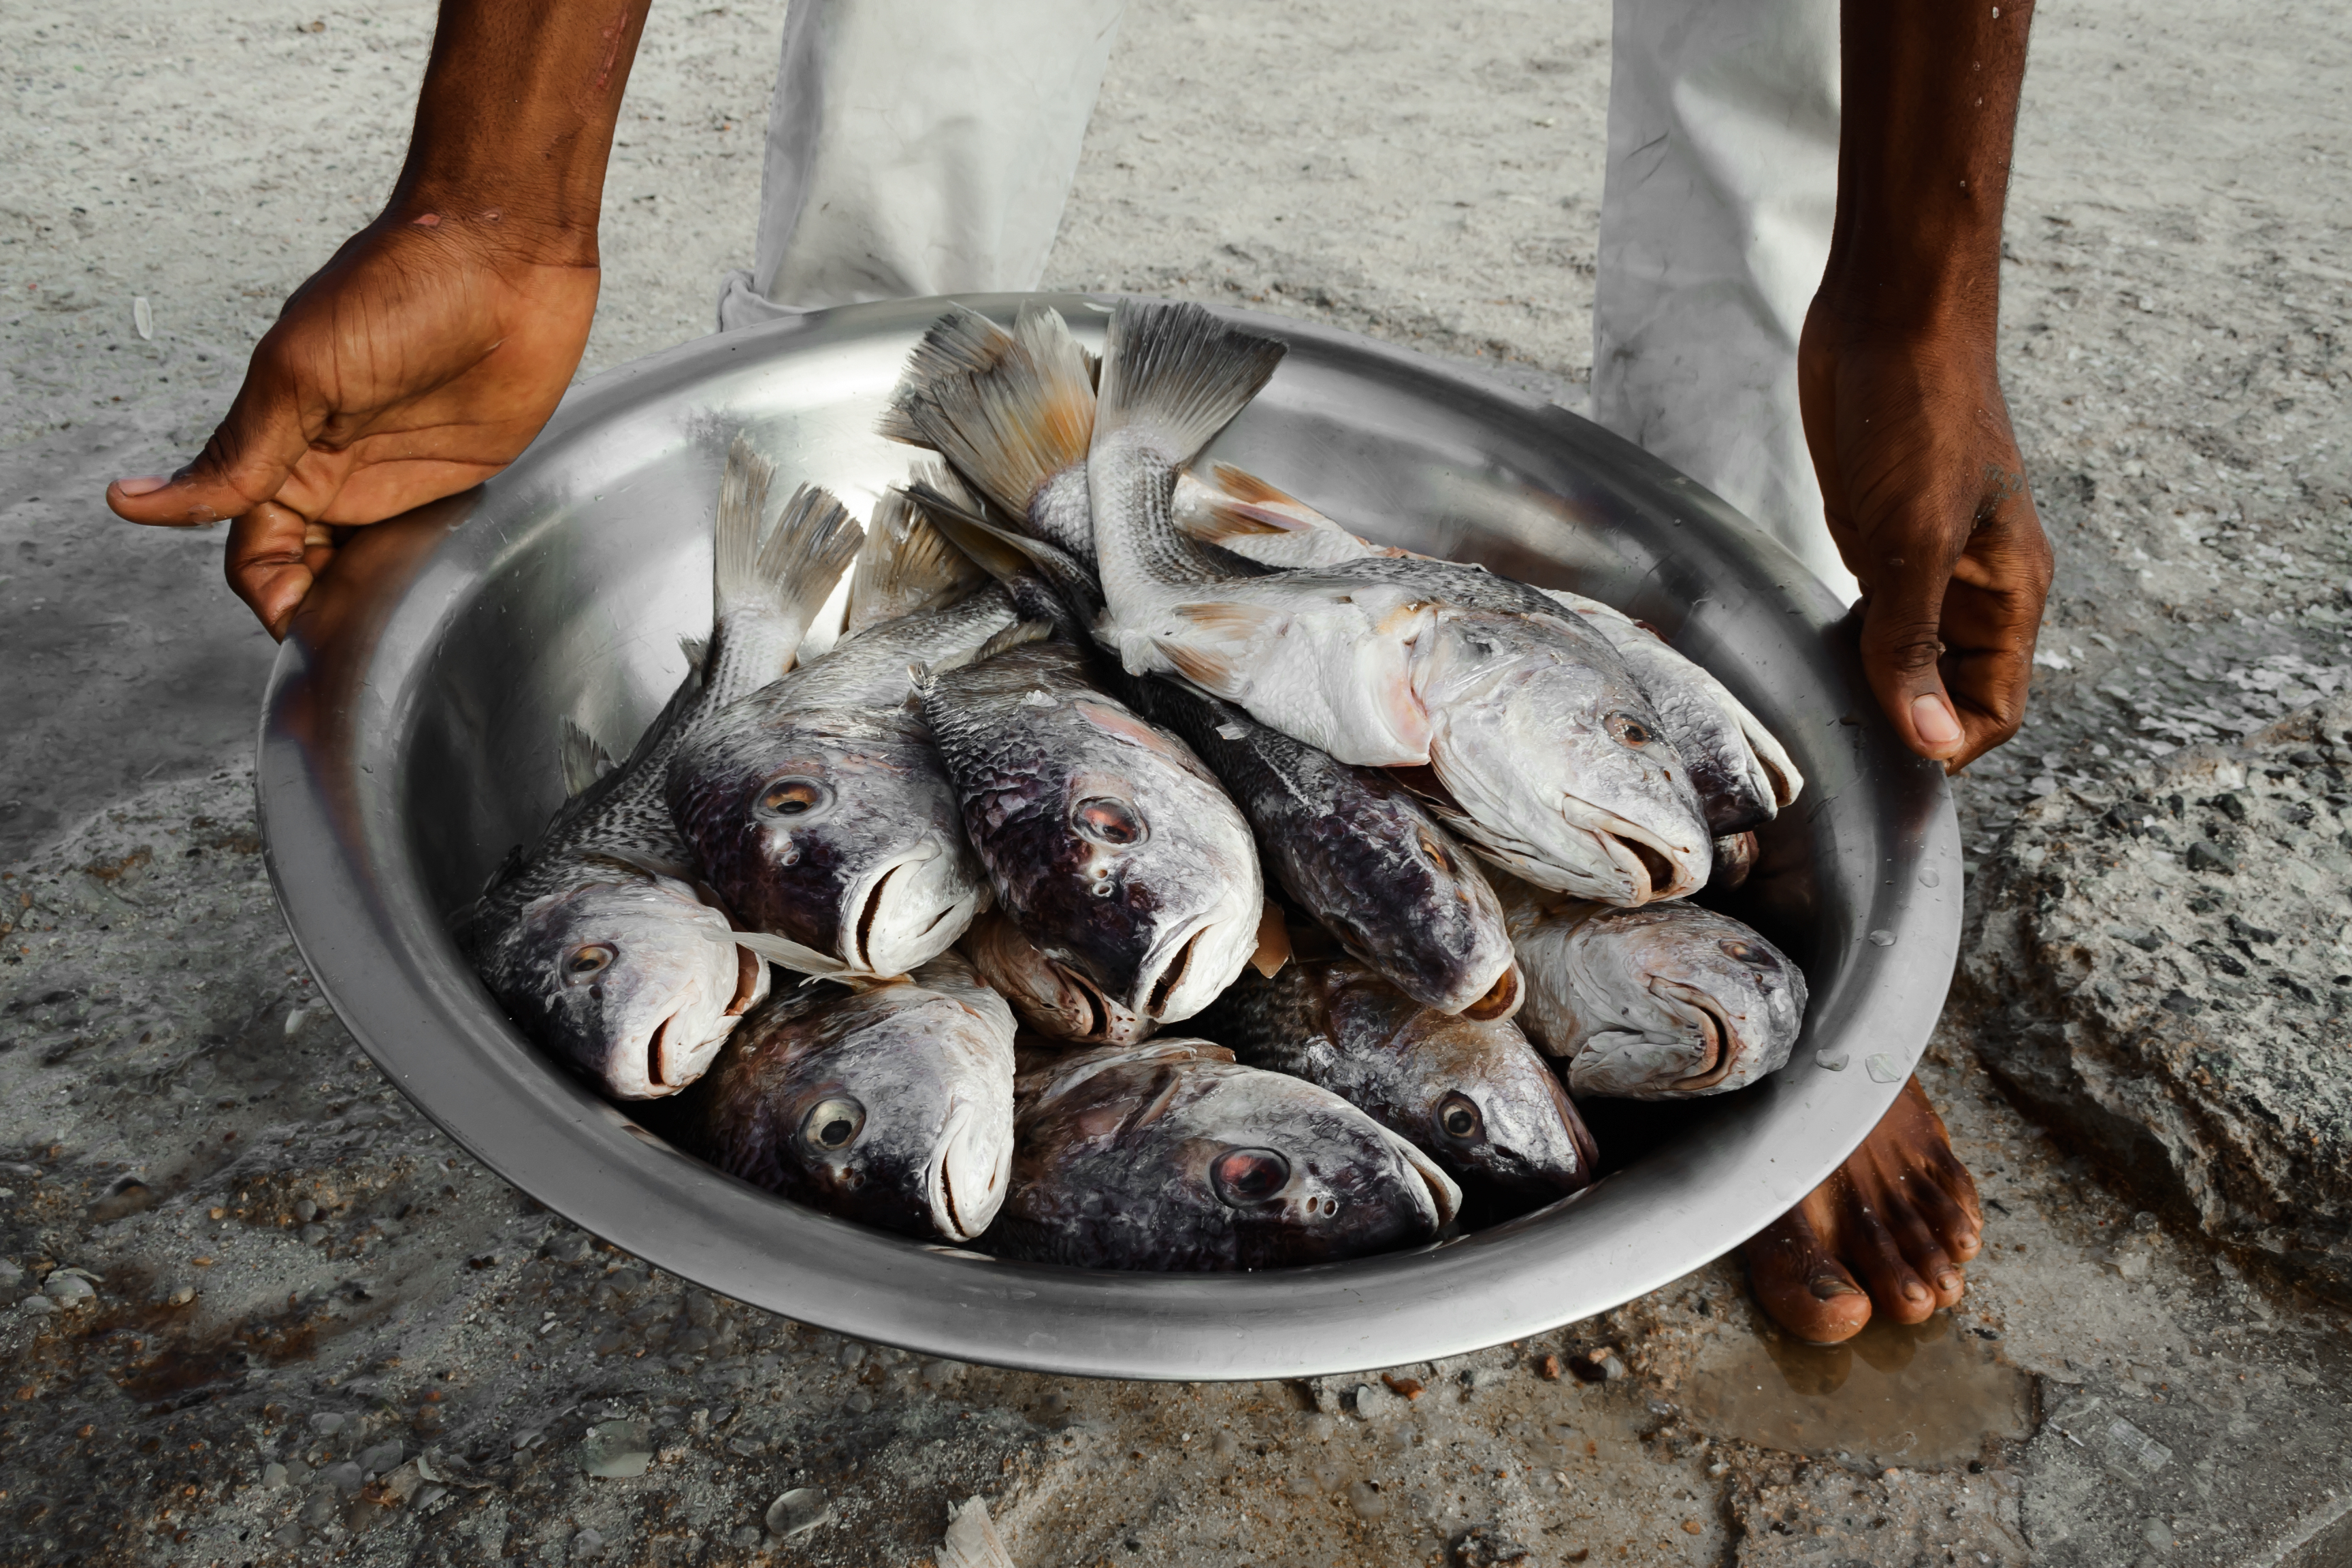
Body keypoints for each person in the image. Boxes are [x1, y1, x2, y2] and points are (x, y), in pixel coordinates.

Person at [105, 0, 2051, 1346]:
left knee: (1780, 96)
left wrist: (1922, 304)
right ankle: (877, 476)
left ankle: (1759, 652)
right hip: (1131, 733)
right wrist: (490, 202)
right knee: (917, 92)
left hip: (1250, 724)